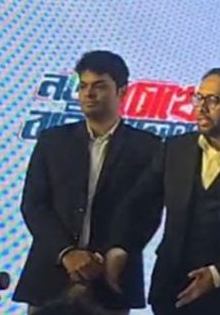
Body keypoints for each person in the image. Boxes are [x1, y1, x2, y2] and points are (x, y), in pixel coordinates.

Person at [106, 68, 220, 315]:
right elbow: (138, 204)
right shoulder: (174, 149)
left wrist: (219, 274)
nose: (201, 107)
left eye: (213, 100)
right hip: (172, 291)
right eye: (198, 97)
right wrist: (119, 246)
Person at [14, 51, 162, 314]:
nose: (89, 94)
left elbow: (147, 213)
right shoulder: (53, 141)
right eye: (83, 86)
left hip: (111, 278)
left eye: (99, 86)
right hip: (49, 276)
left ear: (122, 91)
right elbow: (34, 205)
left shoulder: (147, 147)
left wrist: (105, 255)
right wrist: (67, 253)